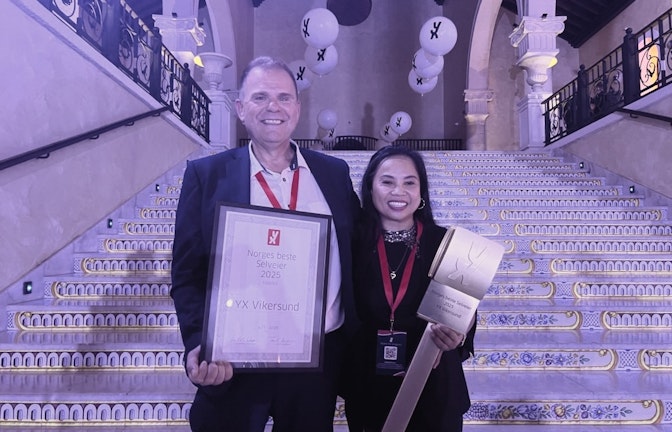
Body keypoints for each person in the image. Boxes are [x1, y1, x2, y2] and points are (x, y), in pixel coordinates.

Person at [170, 56, 361, 432]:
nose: (273, 107)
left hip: (316, 365)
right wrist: (197, 342)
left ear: (297, 108)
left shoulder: (333, 174)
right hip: (234, 361)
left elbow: (362, 251)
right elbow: (187, 273)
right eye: (260, 97)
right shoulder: (206, 176)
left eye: (283, 97)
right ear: (240, 108)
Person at [342, 146, 476, 432]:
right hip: (368, 382)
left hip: (434, 383)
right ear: (370, 187)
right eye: (387, 181)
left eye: (409, 183)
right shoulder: (350, 243)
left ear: (421, 191)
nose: (398, 191)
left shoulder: (451, 244)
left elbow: (467, 313)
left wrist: (459, 330)